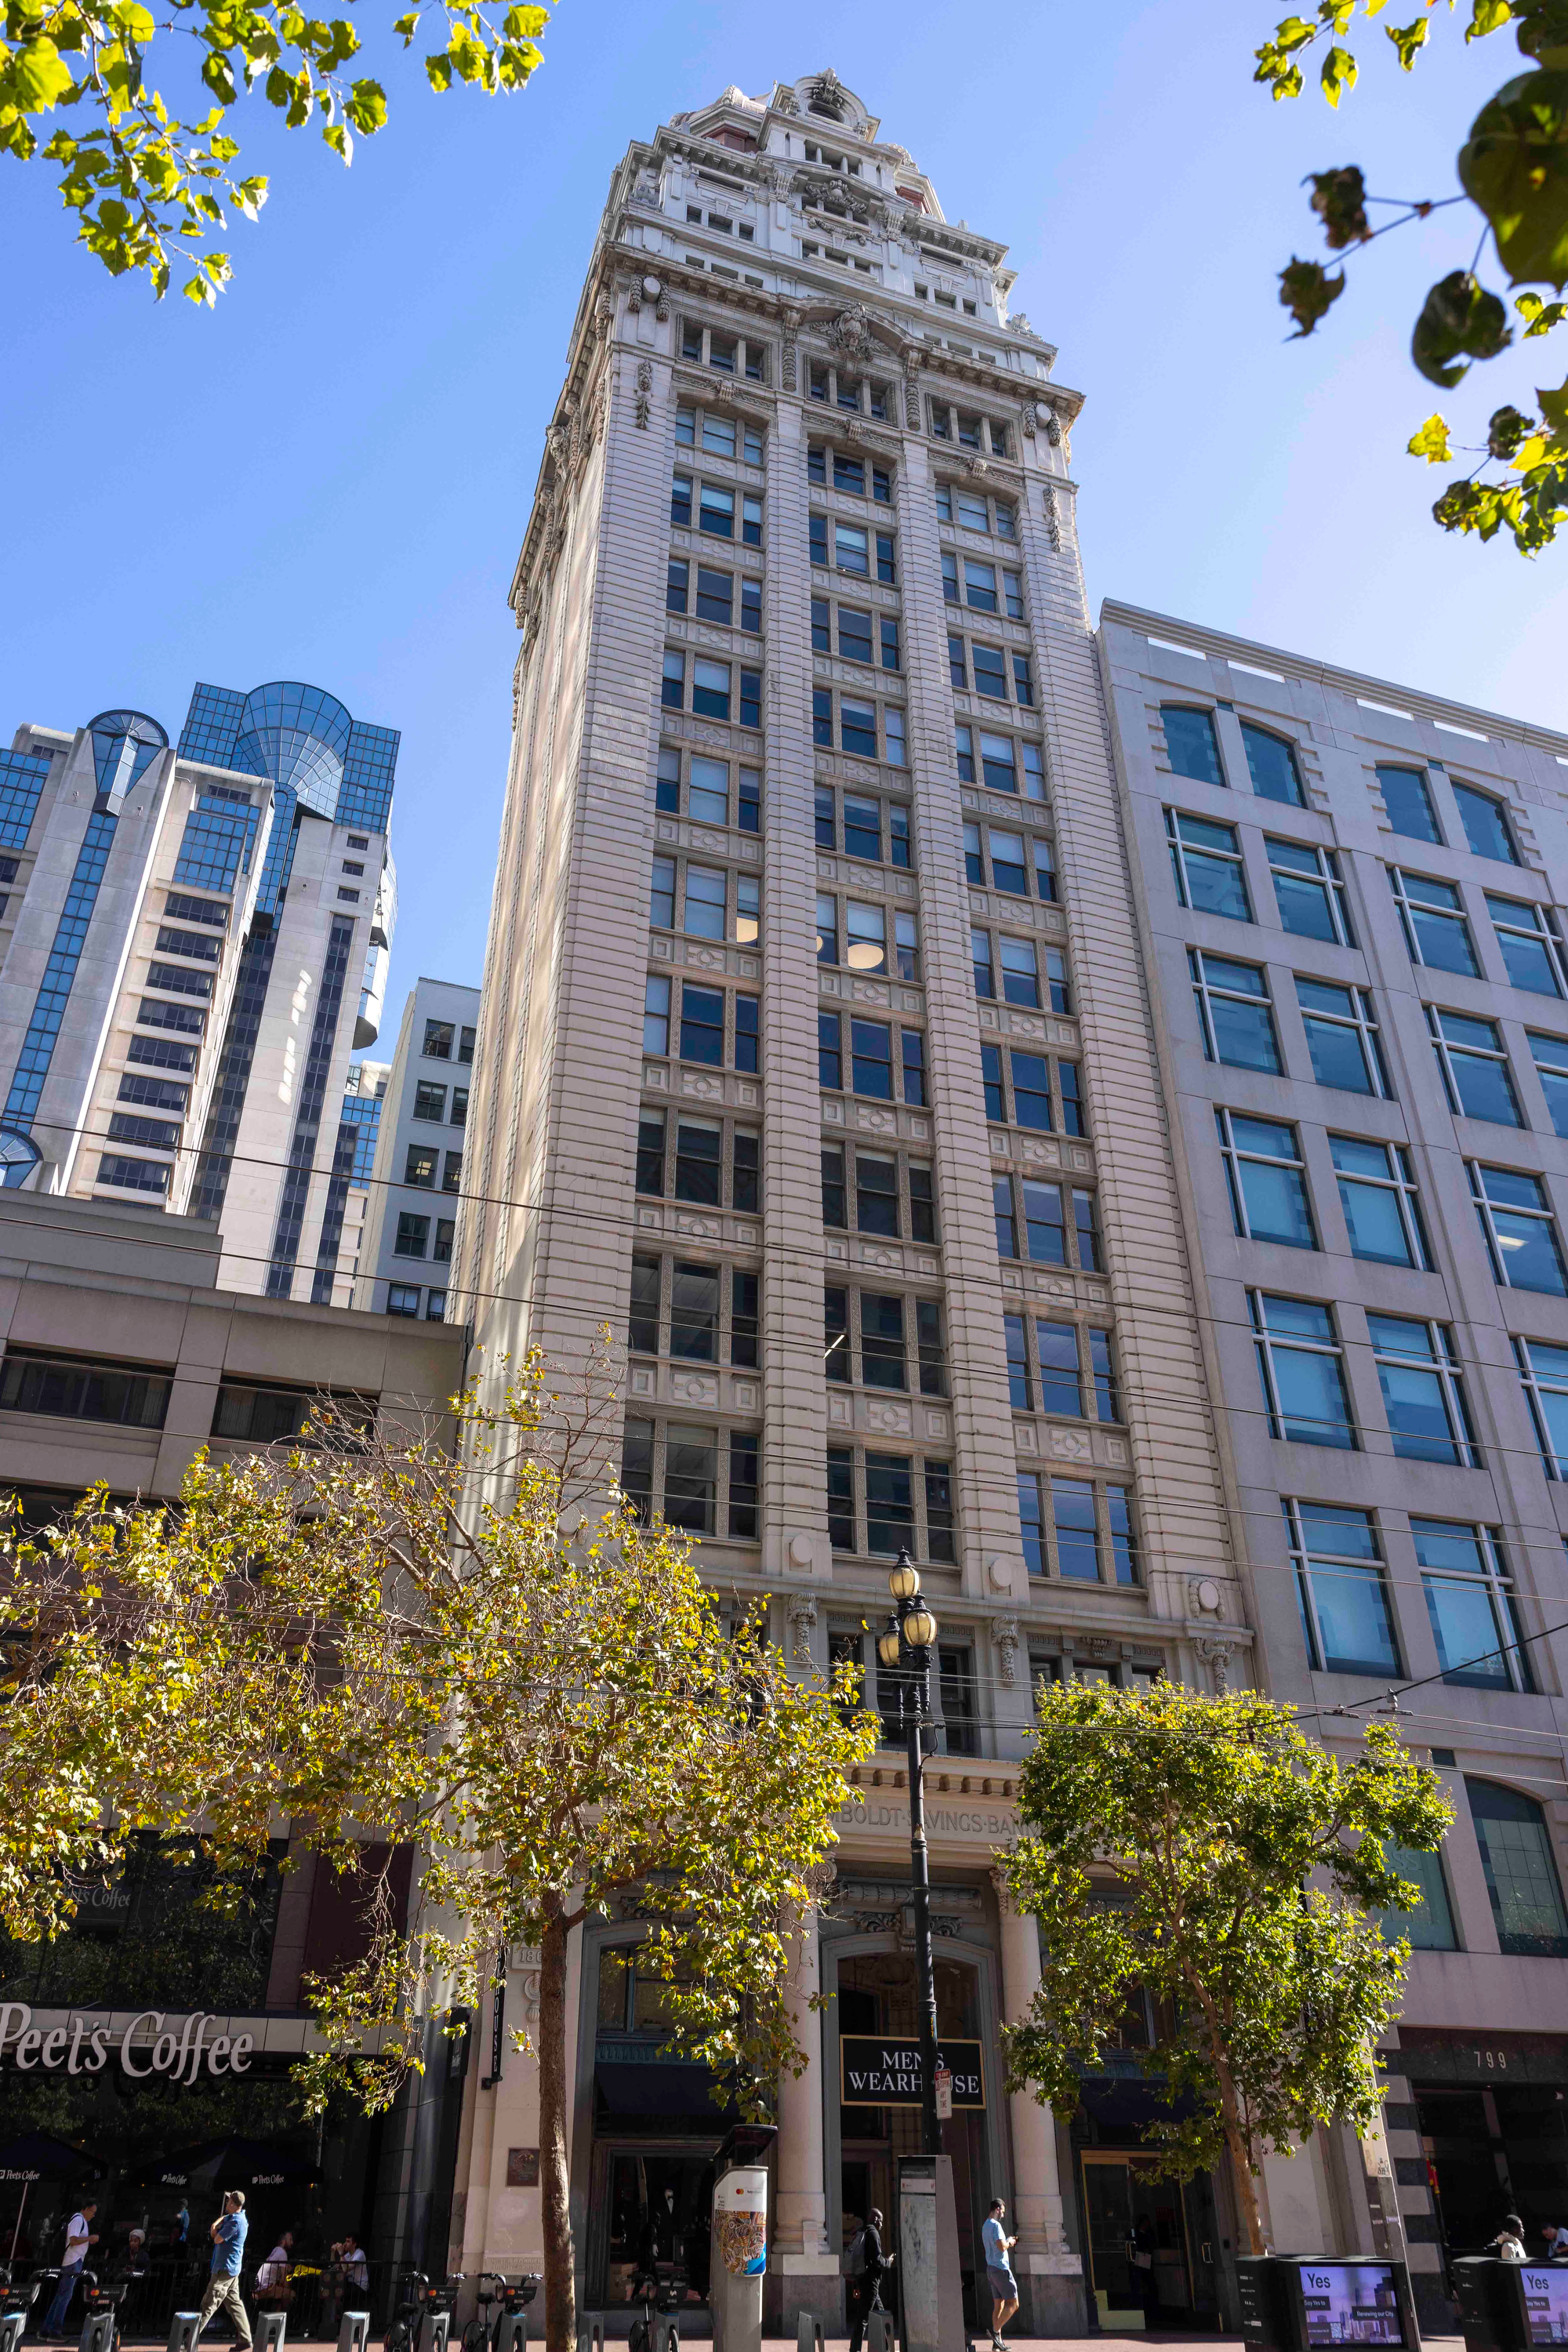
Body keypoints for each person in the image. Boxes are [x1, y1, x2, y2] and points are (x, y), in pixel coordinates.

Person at [197, 2192, 252, 2348]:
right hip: (230, 2269)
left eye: (228, 2202)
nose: (226, 2203)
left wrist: (214, 2228)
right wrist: (217, 2224)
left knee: (209, 2303)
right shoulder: (236, 2218)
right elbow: (223, 2221)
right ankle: (245, 2339)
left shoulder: (236, 2222)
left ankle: (186, 2340)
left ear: (234, 2205)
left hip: (225, 2270)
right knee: (235, 2304)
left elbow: (217, 2239)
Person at [44, 2200, 97, 2336]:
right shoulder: (78, 2220)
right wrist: (89, 2238)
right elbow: (73, 2240)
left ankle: (47, 2329)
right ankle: (55, 2330)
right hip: (72, 2261)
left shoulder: (81, 2221)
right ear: (85, 2209)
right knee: (65, 2297)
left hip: (74, 2260)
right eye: (92, 2212)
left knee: (61, 2296)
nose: (93, 2215)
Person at [845, 2207, 889, 2352]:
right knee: (863, 2319)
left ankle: (886, 2347)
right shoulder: (873, 2233)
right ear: (876, 2219)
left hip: (863, 2280)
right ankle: (855, 2350)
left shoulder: (862, 2231)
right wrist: (888, 2262)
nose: (882, 2225)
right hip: (871, 2282)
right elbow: (877, 2260)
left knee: (881, 2314)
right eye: (881, 2221)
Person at [982, 2198, 1019, 2350]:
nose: (1003, 2214)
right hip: (1001, 2269)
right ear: (997, 2209)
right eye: (1002, 2211)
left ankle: (997, 2344)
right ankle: (995, 2331)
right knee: (1014, 2304)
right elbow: (1001, 2246)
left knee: (999, 2304)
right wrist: (1010, 2241)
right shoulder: (996, 2226)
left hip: (991, 2269)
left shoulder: (985, 2225)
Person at [1129, 2213, 1160, 2328]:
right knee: (1143, 2282)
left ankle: (1152, 2310)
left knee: (1150, 2283)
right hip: (1141, 2258)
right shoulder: (1136, 2234)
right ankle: (1143, 2308)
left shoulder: (1149, 2234)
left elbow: (1153, 2245)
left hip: (1147, 2258)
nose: (1148, 2224)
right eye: (1147, 2222)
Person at [255, 2233, 293, 2306]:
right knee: (292, 2295)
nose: (292, 2242)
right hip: (265, 2289)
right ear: (283, 2241)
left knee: (282, 2294)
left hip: (259, 2288)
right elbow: (284, 2279)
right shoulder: (283, 2253)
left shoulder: (276, 2251)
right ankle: (281, 2316)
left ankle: (276, 2314)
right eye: (290, 2240)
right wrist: (288, 2289)